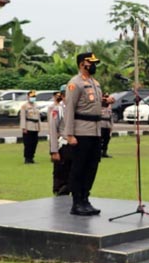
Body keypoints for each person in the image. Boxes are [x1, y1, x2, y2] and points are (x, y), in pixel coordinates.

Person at [64, 52, 103, 216]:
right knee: (78, 168)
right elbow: (70, 109)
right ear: (82, 64)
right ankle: (76, 201)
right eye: (90, 62)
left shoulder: (95, 83)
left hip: (95, 131)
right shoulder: (75, 83)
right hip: (81, 131)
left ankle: (86, 198)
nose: (93, 65)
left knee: (92, 167)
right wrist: (69, 134)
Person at [47, 86, 71, 196]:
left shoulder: (74, 108)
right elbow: (53, 130)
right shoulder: (58, 109)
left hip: (74, 146)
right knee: (61, 174)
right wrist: (54, 150)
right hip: (63, 145)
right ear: (62, 95)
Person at [20, 90, 41, 164]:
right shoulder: (24, 106)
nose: (33, 98)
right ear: (28, 97)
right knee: (28, 144)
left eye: (34, 97)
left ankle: (32, 157)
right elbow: (22, 118)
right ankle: (27, 158)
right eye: (31, 97)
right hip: (28, 126)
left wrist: (39, 127)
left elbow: (38, 117)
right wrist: (23, 128)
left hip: (35, 126)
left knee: (34, 143)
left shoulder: (36, 105)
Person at [100, 93, 114, 158]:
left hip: (107, 125)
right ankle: (99, 152)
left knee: (106, 140)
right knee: (100, 140)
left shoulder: (109, 108)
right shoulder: (100, 106)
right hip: (101, 125)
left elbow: (111, 118)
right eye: (105, 97)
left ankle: (104, 152)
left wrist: (111, 127)